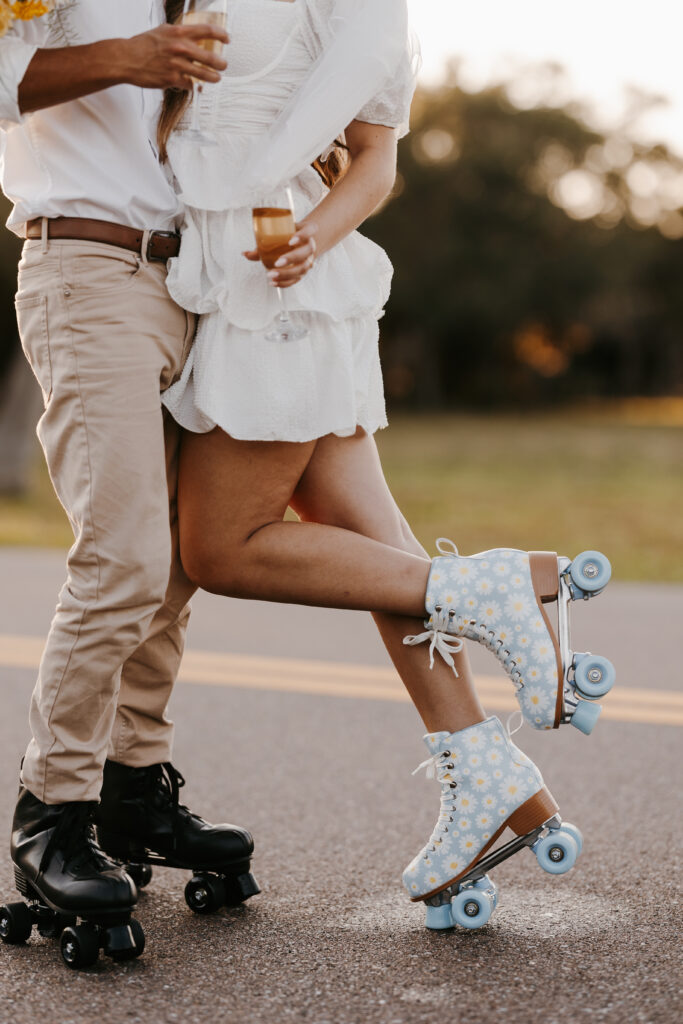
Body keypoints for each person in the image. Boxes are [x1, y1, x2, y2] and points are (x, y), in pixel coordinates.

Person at [157, 0, 614, 929]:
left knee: (223, 546)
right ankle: (493, 778)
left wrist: (308, 243)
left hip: (270, 289)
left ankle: (491, 589)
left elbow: (377, 155)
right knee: (376, 552)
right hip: (267, 282)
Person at [0, 1, 257, 964]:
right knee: (123, 559)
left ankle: (132, 788)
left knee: (179, 561)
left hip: (189, 287)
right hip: (85, 266)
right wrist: (127, 57)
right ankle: (51, 809)